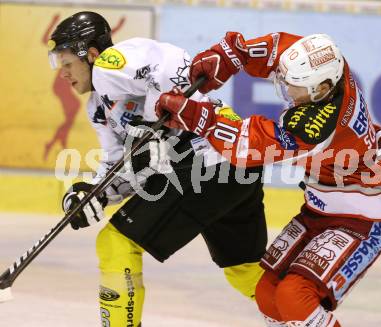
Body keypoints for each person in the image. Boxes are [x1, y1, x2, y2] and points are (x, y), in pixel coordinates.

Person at [155, 32, 381, 326]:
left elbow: (250, 146)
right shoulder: (332, 66)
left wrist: (199, 117)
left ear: (321, 89)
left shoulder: (317, 125)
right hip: (324, 207)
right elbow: (280, 49)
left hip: (364, 216)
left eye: (295, 89)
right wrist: (233, 54)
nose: (287, 94)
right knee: (268, 294)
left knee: (295, 297)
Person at [48, 13, 268, 326]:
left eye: (67, 63)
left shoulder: (112, 64)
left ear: (91, 54)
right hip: (233, 162)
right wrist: (94, 194)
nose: (62, 74)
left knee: (115, 243)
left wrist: (154, 120)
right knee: (245, 271)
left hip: (208, 159)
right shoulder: (97, 106)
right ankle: (307, 317)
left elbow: (175, 63)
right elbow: (119, 165)